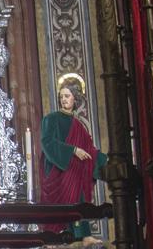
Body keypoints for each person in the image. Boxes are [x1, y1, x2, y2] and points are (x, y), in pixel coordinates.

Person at [39, 78, 105, 239]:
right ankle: (61, 234)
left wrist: (105, 162)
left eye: (67, 96)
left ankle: (83, 235)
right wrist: (73, 150)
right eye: (62, 96)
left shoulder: (78, 124)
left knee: (79, 199)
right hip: (58, 170)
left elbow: (88, 149)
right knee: (64, 204)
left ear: (75, 99)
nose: (64, 99)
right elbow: (47, 142)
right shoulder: (51, 119)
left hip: (75, 170)